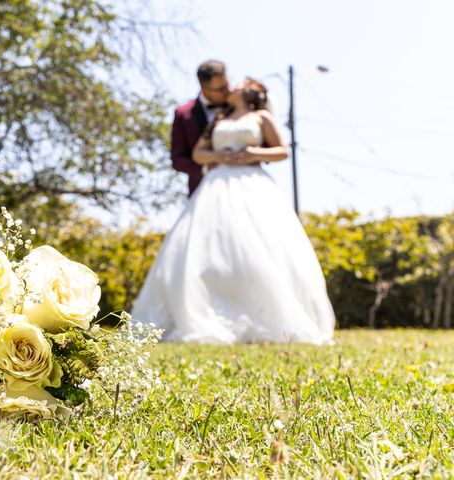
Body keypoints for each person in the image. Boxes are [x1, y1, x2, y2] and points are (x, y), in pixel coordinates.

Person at [131, 77, 335, 344]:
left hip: (253, 184)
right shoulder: (217, 120)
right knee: (207, 251)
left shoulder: (261, 117)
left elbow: (282, 151)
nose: (231, 86)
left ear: (249, 90)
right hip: (214, 187)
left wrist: (253, 153)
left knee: (258, 250)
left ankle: (266, 316)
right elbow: (198, 154)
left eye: (238, 82)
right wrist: (219, 156)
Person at [171, 60, 230, 196]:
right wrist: (206, 169)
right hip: (203, 191)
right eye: (220, 89)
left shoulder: (240, 106)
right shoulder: (183, 114)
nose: (227, 90)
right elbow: (178, 159)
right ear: (204, 88)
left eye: (226, 84)